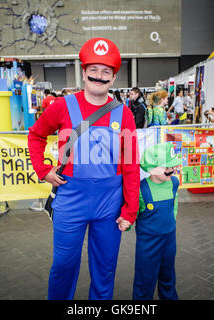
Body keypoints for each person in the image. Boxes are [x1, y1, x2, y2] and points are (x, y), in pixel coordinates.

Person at [28, 37, 140, 300]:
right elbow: (36, 135)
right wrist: (42, 169)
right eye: (94, 70)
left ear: (113, 78)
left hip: (110, 204)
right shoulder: (61, 106)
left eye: (106, 72)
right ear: (84, 71)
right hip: (70, 199)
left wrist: (130, 209)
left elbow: (131, 165)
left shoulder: (124, 114)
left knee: (104, 269)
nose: (99, 77)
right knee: (63, 265)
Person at [133, 142, 181, 300]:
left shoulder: (174, 183)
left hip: (169, 241)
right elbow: (132, 211)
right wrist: (125, 223)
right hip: (147, 243)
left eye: (172, 166)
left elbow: (174, 203)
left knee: (168, 277)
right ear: (152, 168)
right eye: (166, 167)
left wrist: (171, 221)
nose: (171, 170)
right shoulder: (141, 189)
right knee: (145, 279)